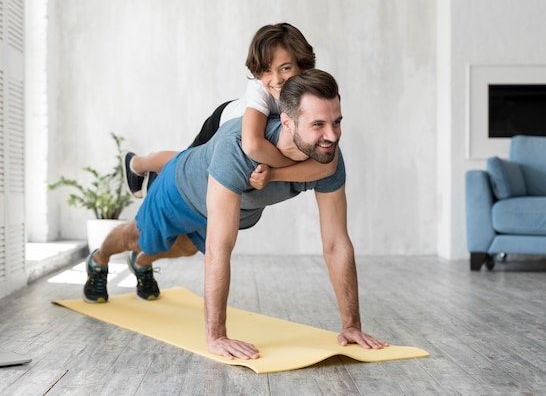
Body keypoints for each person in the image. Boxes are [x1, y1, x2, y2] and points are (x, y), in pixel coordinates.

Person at [83, 69, 388, 360]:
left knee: (183, 248)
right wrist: (216, 335)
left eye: (337, 122)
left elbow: (336, 242)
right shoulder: (238, 148)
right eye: (318, 124)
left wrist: (352, 325)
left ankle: (142, 263)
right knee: (137, 238)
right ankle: (99, 260)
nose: (332, 135)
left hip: (223, 209)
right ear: (287, 122)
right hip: (181, 190)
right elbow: (219, 249)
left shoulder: (325, 156)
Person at [124, 22, 338, 198]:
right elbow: (253, 145)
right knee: (186, 163)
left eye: (285, 68)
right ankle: (138, 163)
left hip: (244, 140)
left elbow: (327, 166)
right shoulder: (259, 88)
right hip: (222, 123)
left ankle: (155, 176)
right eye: (266, 71)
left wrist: (276, 173)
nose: (276, 80)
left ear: (303, 66)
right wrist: (291, 164)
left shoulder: (313, 94)